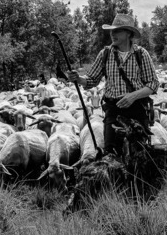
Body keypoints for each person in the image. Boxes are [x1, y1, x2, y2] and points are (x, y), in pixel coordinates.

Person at [67, 13, 160, 156]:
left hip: (137, 108)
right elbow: (91, 79)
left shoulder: (141, 54)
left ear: (128, 33)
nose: (112, 34)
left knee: (140, 153)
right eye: (112, 31)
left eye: (117, 30)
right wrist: (78, 79)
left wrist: (133, 96)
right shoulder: (105, 54)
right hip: (113, 109)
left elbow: (153, 83)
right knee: (111, 153)